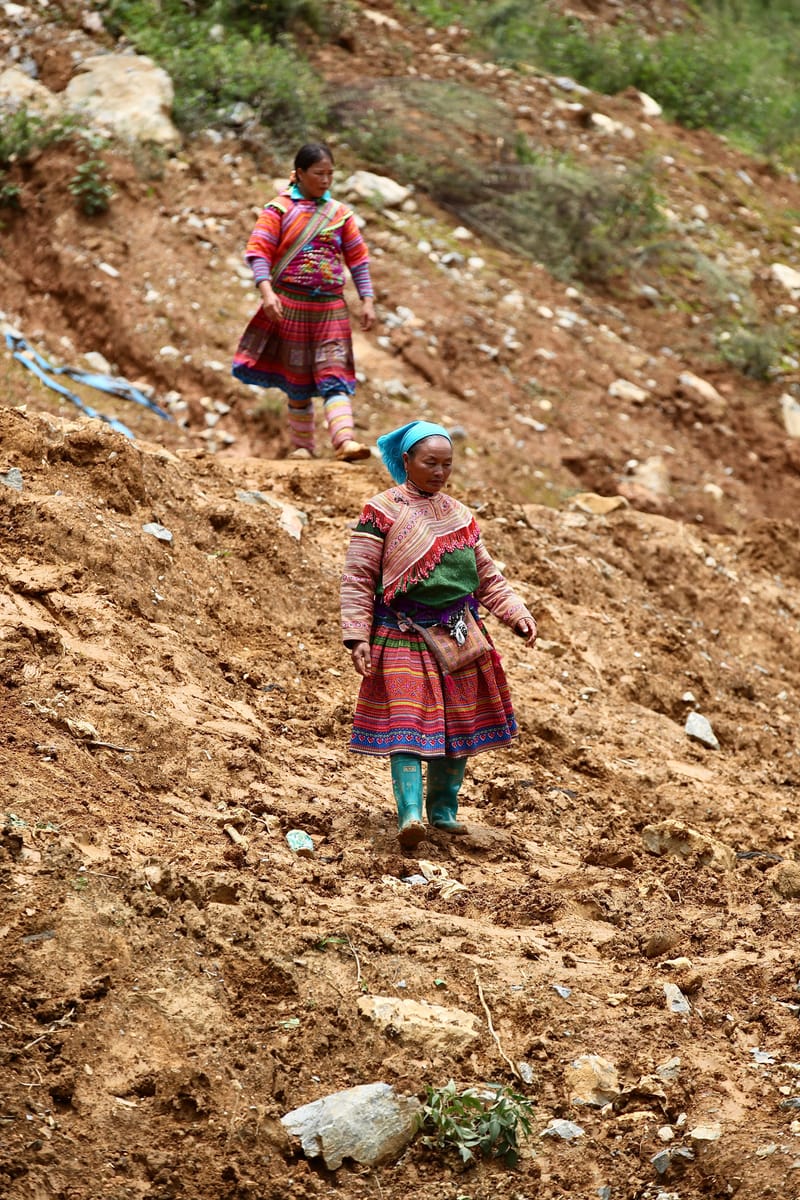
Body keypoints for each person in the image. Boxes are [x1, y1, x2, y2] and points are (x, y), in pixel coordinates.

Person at [340, 420, 537, 849]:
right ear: (406, 460)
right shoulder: (381, 511)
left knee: (459, 725)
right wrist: (358, 635)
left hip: (460, 634)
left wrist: (516, 614)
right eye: (430, 462)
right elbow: (358, 576)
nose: (439, 472)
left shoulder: (460, 516)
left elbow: (486, 576)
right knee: (408, 725)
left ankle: (443, 810)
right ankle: (410, 815)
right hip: (401, 632)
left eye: (447, 464)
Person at [232, 142, 375, 462]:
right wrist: (267, 292)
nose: (325, 180)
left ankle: (344, 442)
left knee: (334, 373)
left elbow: (358, 260)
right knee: (296, 379)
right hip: (290, 307)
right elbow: (259, 253)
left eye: (330, 174)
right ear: (299, 174)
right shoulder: (278, 210)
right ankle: (302, 447)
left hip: (330, 309)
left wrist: (367, 299)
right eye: (318, 174)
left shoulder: (340, 215)